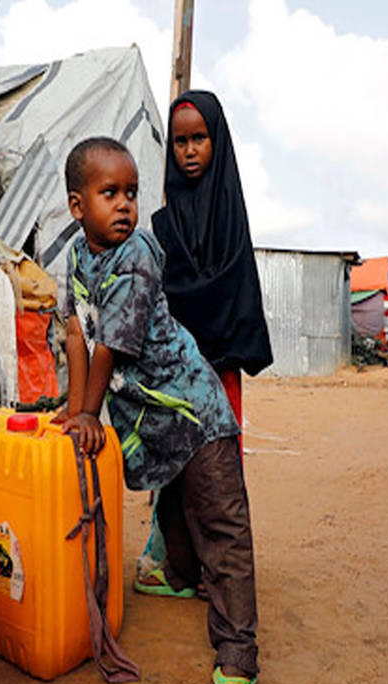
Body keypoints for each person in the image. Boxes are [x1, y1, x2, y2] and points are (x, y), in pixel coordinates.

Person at [60, 137, 259, 684]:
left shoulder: (140, 253)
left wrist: (90, 414)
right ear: (78, 206)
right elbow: (76, 332)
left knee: (221, 526)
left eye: (131, 193)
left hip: (194, 411)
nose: (125, 204)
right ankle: (178, 573)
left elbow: (109, 346)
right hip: (154, 421)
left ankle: (238, 655)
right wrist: (75, 411)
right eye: (109, 193)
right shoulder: (75, 258)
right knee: (172, 503)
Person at [135, 90, 273, 596]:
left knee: (216, 475)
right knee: (172, 467)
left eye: (199, 139)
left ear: (217, 141)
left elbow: (235, 292)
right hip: (174, 371)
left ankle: (221, 574)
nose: (189, 150)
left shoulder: (230, 219)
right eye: (180, 142)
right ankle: (180, 566)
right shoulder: (163, 224)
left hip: (217, 369)